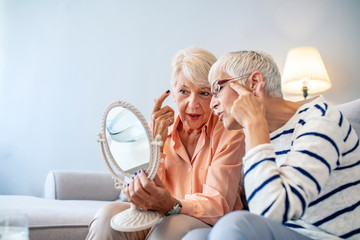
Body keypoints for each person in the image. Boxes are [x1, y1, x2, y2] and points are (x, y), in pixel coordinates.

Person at [183, 50, 360, 240]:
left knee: (234, 225)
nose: (212, 104)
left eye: (217, 89)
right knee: (196, 237)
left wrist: (254, 123)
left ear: (254, 83)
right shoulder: (261, 134)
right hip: (285, 232)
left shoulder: (321, 120)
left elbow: (270, 211)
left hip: (326, 236)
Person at [86, 47, 245, 240]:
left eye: (203, 93)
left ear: (214, 96)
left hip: (208, 222)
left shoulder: (229, 132)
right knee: (107, 216)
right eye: (184, 91)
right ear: (173, 94)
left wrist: (172, 205)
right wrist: (156, 146)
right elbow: (138, 189)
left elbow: (218, 204)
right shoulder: (157, 129)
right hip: (158, 214)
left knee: (170, 225)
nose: (193, 104)